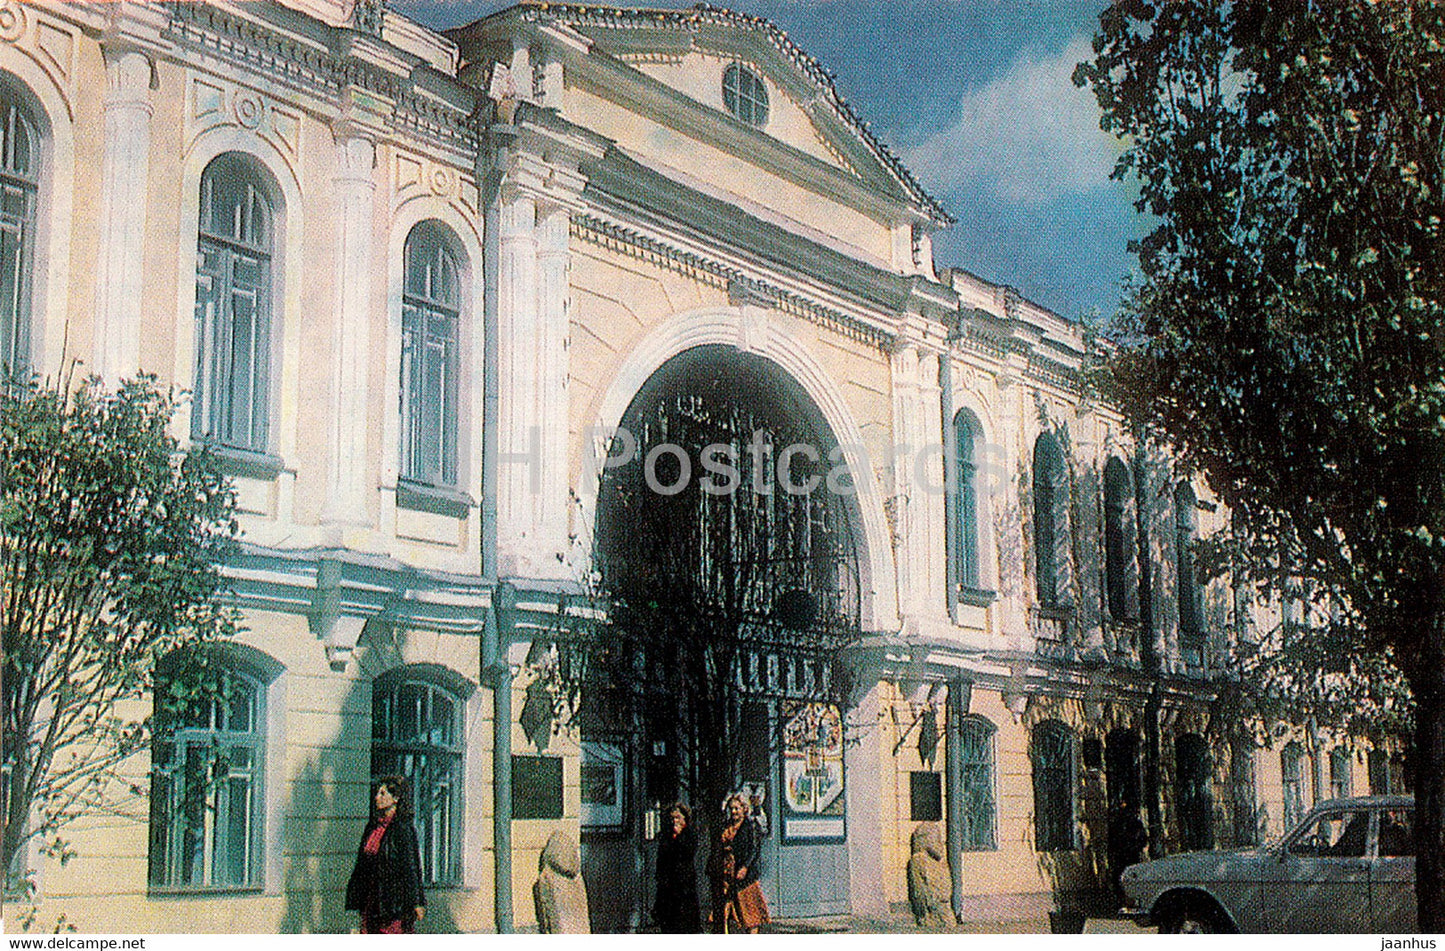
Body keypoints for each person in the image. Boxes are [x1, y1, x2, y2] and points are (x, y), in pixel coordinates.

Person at [345, 775, 427, 934]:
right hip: (371, 901)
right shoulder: (373, 826)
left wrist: (417, 902)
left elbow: (411, 867)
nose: (377, 797)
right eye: (377, 793)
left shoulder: (402, 828)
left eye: (383, 794)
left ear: (395, 798)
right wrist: (353, 899)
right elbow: (361, 866)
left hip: (392, 903)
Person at [708, 793, 770, 934]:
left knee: (750, 913)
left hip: (744, 876)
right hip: (727, 871)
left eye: (737, 808)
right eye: (732, 809)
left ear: (744, 809)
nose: (734, 812)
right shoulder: (726, 826)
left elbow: (754, 849)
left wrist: (745, 867)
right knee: (723, 910)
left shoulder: (750, 826)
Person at [653, 802, 701, 933]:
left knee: (685, 919)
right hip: (667, 883)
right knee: (668, 921)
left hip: (683, 883)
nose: (675, 821)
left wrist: (679, 837)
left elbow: (688, 853)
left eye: (678, 817)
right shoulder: (666, 834)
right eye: (672, 818)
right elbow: (661, 856)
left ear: (685, 818)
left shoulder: (690, 833)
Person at [1106, 796, 1148, 904]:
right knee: (1124, 877)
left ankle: (1127, 900)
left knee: (1124, 877)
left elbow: (1142, 839)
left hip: (1127, 854)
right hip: (1124, 854)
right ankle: (1127, 900)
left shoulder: (1129, 822)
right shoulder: (1119, 822)